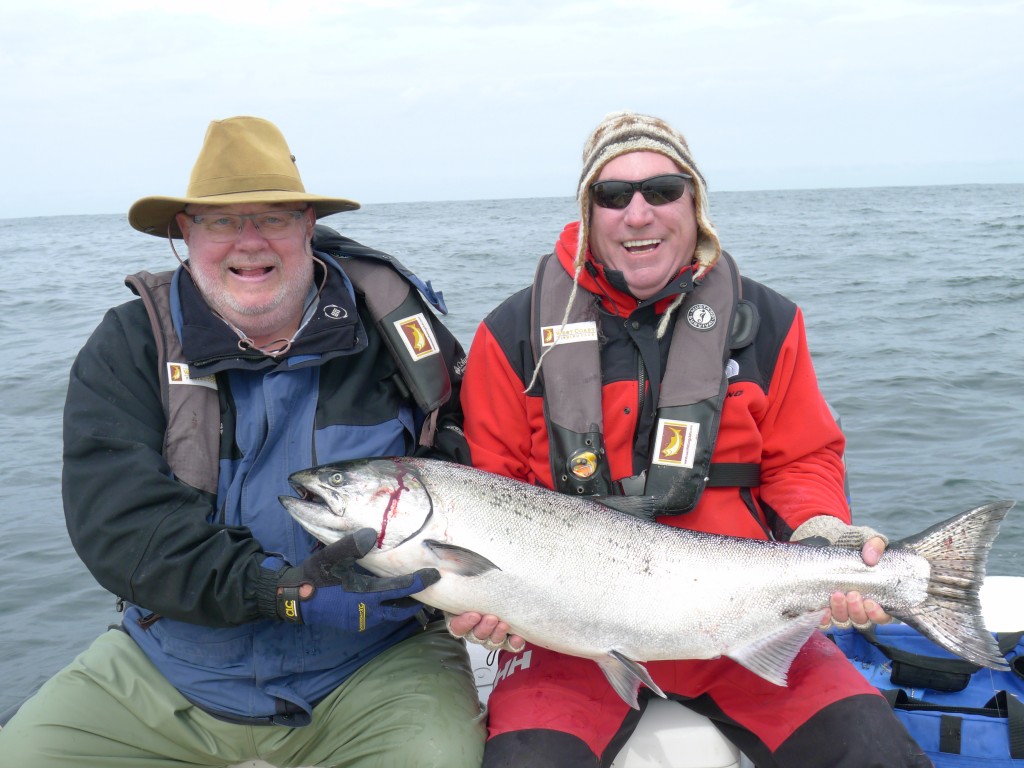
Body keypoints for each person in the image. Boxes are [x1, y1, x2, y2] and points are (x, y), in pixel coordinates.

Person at [0, 116, 486, 767]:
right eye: (222, 221)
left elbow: (476, 474)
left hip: (377, 663)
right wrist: (270, 586)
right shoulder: (129, 345)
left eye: (275, 218)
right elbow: (119, 528)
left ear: (309, 225)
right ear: (185, 233)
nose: (250, 241)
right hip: (171, 670)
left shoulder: (397, 335)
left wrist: (488, 593)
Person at [451, 111, 931, 767]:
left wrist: (824, 529)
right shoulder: (510, 335)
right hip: (568, 644)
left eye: (662, 189)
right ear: (589, 213)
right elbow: (485, 489)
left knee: (878, 755)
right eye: (612, 195)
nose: (637, 213)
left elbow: (803, 459)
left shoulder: (768, 322)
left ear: (694, 203)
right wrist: (484, 602)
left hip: (745, 623)